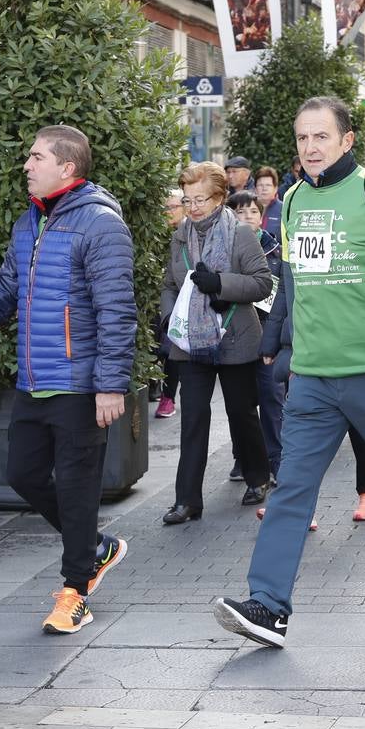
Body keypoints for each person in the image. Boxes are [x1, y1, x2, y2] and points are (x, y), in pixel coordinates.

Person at [213, 97, 365, 647]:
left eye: (321, 137)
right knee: (292, 489)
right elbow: (293, 284)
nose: (310, 148)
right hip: (315, 379)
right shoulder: (295, 199)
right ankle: (269, 607)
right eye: (302, 138)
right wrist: (280, 348)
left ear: (347, 141)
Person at [0, 126, 132, 634]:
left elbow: (117, 310)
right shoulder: (30, 223)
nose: (26, 165)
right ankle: (95, 549)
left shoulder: (100, 225)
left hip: (81, 386)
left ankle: (74, 591)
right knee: (22, 475)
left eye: (36, 157)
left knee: (80, 491)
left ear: (67, 168)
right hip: (35, 380)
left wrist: (110, 384)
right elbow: (4, 290)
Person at [160, 162, 273, 524]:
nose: (193, 208)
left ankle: (257, 476)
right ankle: (187, 500)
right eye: (187, 200)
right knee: (193, 417)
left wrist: (221, 284)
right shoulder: (180, 235)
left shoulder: (240, 233)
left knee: (241, 413)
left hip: (235, 336)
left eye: (201, 200)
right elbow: (169, 284)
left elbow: (262, 283)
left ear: (220, 198)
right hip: (190, 341)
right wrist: (167, 318)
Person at [257, 244, 365, 527]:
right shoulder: (297, 212)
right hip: (305, 347)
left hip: (350, 341)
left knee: (360, 425)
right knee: (299, 432)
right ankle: (296, 504)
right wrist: (270, 341)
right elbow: (285, 290)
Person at [227, 189, 286, 481]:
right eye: (240, 212)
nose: (247, 217)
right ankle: (244, 458)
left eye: (252, 211)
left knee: (272, 397)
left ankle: (275, 459)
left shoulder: (274, 250)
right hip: (236, 335)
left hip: (268, 335)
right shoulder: (226, 249)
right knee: (240, 402)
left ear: (261, 217)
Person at [156, 187, 187, 419]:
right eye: (164, 207)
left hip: (183, 296)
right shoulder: (156, 232)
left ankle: (168, 396)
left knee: (171, 348)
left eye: (173, 207)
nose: (168, 211)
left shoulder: (187, 231)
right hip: (163, 296)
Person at [254, 166, 283, 238]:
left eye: (268, 185)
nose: (264, 189)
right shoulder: (248, 208)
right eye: (260, 185)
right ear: (255, 189)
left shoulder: (284, 209)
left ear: (275, 188)